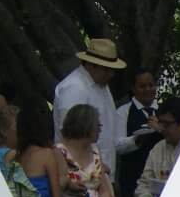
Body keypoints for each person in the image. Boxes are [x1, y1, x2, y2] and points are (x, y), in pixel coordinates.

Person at [53, 36, 126, 178]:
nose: (111, 75)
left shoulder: (102, 87)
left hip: (101, 174)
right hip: (80, 175)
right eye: (106, 70)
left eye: (112, 70)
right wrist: (92, 165)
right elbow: (69, 136)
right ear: (91, 65)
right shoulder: (74, 88)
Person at [132, 96, 180, 197]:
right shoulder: (158, 149)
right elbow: (144, 183)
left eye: (167, 124)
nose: (162, 128)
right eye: (161, 123)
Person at [114, 69, 161, 197]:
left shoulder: (163, 111)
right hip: (132, 176)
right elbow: (118, 145)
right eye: (142, 86)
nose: (148, 90)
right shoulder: (123, 112)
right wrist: (136, 140)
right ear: (134, 89)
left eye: (151, 85)